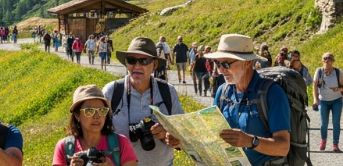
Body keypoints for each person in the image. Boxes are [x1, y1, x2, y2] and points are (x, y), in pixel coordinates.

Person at [204, 34, 290, 166]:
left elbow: (283, 147)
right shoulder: (222, 91)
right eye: (218, 63)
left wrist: (250, 141)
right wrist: (182, 140)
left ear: (248, 63)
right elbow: (212, 134)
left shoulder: (272, 93)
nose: (221, 70)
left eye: (226, 64)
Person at [103, 37, 183, 166]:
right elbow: (96, 134)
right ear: (126, 63)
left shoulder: (167, 91)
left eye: (144, 61)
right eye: (131, 60)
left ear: (155, 64)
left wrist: (168, 134)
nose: (137, 66)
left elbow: (183, 134)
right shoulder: (112, 91)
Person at [52, 84, 138, 166]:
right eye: (89, 111)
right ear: (77, 115)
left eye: (102, 111)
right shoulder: (64, 147)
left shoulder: (121, 143)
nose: (96, 116)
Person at [312, 52, 343, 152]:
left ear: (333, 60)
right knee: (323, 124)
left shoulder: (339, 73)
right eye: (325, 58)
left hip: (336, 100)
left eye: (329, 58)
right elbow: (315, 87)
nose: (327, 61)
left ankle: (335, 144)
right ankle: (323, 140)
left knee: (336, 123)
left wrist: (338, 89)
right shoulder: (319, 71)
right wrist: (315, 100)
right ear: (322, 60)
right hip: (323, 101)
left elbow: (342, 88)